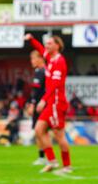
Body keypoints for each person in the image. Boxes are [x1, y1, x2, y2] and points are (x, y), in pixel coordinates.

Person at [25, 33, 72, 174]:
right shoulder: (49, 58)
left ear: (57, 46)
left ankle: (67, 166)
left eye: (50, 43)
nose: (46, 46)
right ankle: (52, 161)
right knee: (39, 130)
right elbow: (40, 49)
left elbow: (55, 85)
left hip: (57, 103)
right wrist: (31, 39)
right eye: (46, 44)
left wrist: (43, 100)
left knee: (59, 135)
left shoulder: (59, 61)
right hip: (51, 102)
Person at [28, 50, 46, 166]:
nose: (32, 61)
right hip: (39, 105)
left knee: (40, 131)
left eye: (33, 59)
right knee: (39, 131)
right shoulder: (38, 71)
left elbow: (38, 91)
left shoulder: (42, 72)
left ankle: (46, 158)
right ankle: (43, 157)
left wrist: (33, 104)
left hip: (42, 106)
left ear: (40, 58)